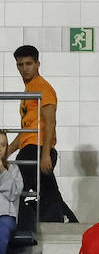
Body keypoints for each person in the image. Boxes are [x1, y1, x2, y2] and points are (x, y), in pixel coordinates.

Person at [7, 46, 75, 226]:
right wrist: (6, 152)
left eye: (28, 63)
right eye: (20, 64)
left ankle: (22, 225)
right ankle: (70, 221)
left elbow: (50, 121)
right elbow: (26, 131)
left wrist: (45, 154)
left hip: (37, 150)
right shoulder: (29, 89)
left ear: (37, 64)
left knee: (24, 191)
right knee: (49, 192)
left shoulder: (42, 87)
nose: (24, 68)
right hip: (31, 147)